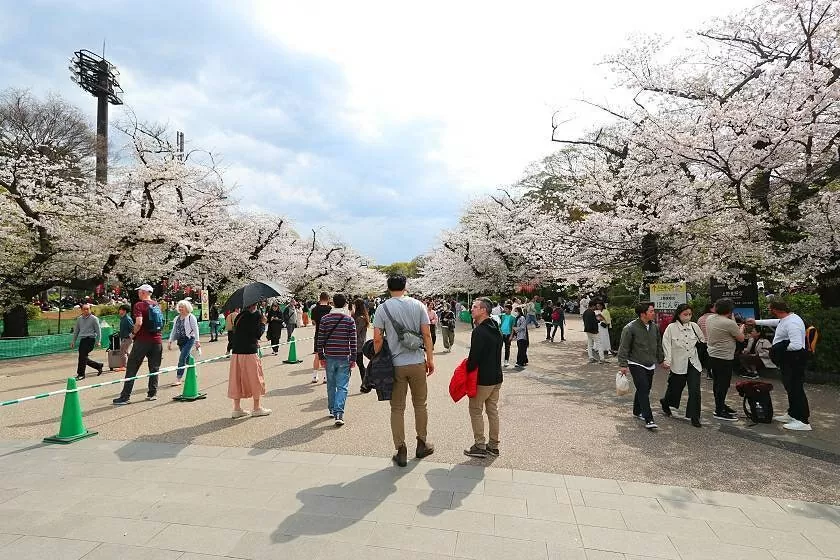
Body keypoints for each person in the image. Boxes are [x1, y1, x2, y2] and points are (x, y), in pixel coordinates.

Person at [373, 274, 435, 467]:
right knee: (420, 404)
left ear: (388, 287)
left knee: (397, 408)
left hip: (395, 364)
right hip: (417, 361)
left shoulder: (382, 308)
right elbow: (426, 333)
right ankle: (422, 443)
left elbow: (377, 339)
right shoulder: (418, 305)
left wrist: (379, 359)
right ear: (405, 286)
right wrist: (430, 359)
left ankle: (400, 449)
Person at [749, 299, 811, 431]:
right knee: (790, 388)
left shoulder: (792, 323)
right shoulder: (787, 318)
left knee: (796, 389)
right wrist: (756, 322)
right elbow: (776, 322)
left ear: (776, 310)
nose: (770, 311)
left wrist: (777, 349)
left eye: (770, 309)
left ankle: (803, 420)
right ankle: (793, 413)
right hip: (789, 361)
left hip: (794, 360)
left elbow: (796, 345)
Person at [463, 297, 504, 458]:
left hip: (483, 379)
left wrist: (466, 369)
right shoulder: (496, 328)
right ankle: (493, 446)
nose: (471, 309)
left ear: (483, 310)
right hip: (496, 376)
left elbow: (474, 358)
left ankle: (480, 445)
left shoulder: (479, 331)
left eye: (474, 307)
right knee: (493, 411)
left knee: (475, 410)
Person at [617, 302, 665, 430]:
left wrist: (661, 360)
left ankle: (636, 410)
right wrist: (623, 364)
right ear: (643, 314)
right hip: (636, 362)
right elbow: (624, 347)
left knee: (645, 388)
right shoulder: (630, 328)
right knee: (643, 388)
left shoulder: (654, 327)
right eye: (651, 311)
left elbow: (658, 345)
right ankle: (648, 418)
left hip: (650, 363)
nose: (653, 313)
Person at [113, 285, 163, 405]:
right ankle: (152, 393)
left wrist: (132, 334)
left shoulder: (139, 305)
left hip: (142, 341)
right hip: (157, 340)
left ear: (144, 292)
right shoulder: (157, 305)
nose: (138, 293)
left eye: (139, 291)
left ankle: (125, 397)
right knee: (154, 368)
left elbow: (139, 322)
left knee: (132, 367)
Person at [660, 303, 704, 427]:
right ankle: (666, 402)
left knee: (695, 390)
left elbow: (702, 340)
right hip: (678, 363)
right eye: (685, 314)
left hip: (694, 363)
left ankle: (695, 416)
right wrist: (667, 361)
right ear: (679, 314)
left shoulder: (694, 326)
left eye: (690, 314)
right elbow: (667, 345)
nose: (688, 317)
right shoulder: (671, 328)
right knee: (675, 388)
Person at [317, 294, 357, 426]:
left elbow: (320, 338)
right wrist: (353, 358)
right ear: (345, 304)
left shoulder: (325, 319)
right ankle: (339, 412)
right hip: (344, 356)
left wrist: (321, 355)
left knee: (331, 384)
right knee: (342, 386)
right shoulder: (349, 320)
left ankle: (332, 409)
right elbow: (353, 341)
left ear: (332, 303)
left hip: (329, 355)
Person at [228, 302, 271, 418]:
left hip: (236, 352)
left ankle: (237, 408)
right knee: (255, 379)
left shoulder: (239, 316)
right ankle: (256, 408)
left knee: (237, 379)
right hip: (249, 352)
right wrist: (263, 323)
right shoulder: (255, 315)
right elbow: (257, 334)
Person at [706, 298, 746, 421]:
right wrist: (742, 328)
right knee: (723, 384)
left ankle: (720, 405)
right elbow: (741, 338)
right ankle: (719, 411)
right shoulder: (729, 324)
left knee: (717, 383)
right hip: (724, 357)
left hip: (712, 355)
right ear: (730, 311)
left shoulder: (710, 318)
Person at [168, 299, 200, 385]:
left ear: (187, 308)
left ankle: (178, 378)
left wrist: (197, 341)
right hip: (180, 340)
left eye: (183, 307)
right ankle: (193, 371)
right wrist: (170, 341)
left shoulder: (191, 317)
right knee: (187, 357)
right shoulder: (177, 318)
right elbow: (174, 330)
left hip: (189, 339)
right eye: (180, 307)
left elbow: (196, 329)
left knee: (182, 357)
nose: (181, 309)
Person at [70, 303, 103, 380]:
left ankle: (81, 374)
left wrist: (98, 341)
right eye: (84, 309)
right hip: (83, 340)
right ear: (81, 310)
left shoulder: (94, 319)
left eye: (87, 309)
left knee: (82, 357)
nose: (86, 310)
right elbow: (76, 331)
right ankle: (98, 365)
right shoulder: (79, 319)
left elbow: (98, 331)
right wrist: (73, 341)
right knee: (83, 357)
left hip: (90, 340)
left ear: (90, 309)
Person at [310, 292, 332, 384]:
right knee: (328, 355)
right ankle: (326, 377)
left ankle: (315, 376)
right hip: (329, 334)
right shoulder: (331, 309)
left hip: (318, 333)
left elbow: (313, 322)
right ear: (328, 299)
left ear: (320, 298)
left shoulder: (314, 309)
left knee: (317, 355)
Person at [352, 298, 369, 389]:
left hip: (357, 345)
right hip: (358, 344)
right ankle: (365, 382)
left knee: (360, 364)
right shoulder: (361, 317)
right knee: (359, 364)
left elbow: (355, 332)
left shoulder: (360, 318)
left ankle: (365, 382)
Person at [117, 304, 134, 372]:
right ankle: (133, 364)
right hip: (125, 338)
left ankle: (123, 366)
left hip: (127, 338)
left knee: (122, 352)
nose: (119, 311)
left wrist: (130, 336)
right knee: (127, 352)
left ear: (124, 311)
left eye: (120, 309)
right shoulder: (123, 318)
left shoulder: (127, 319)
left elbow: (132, 328)